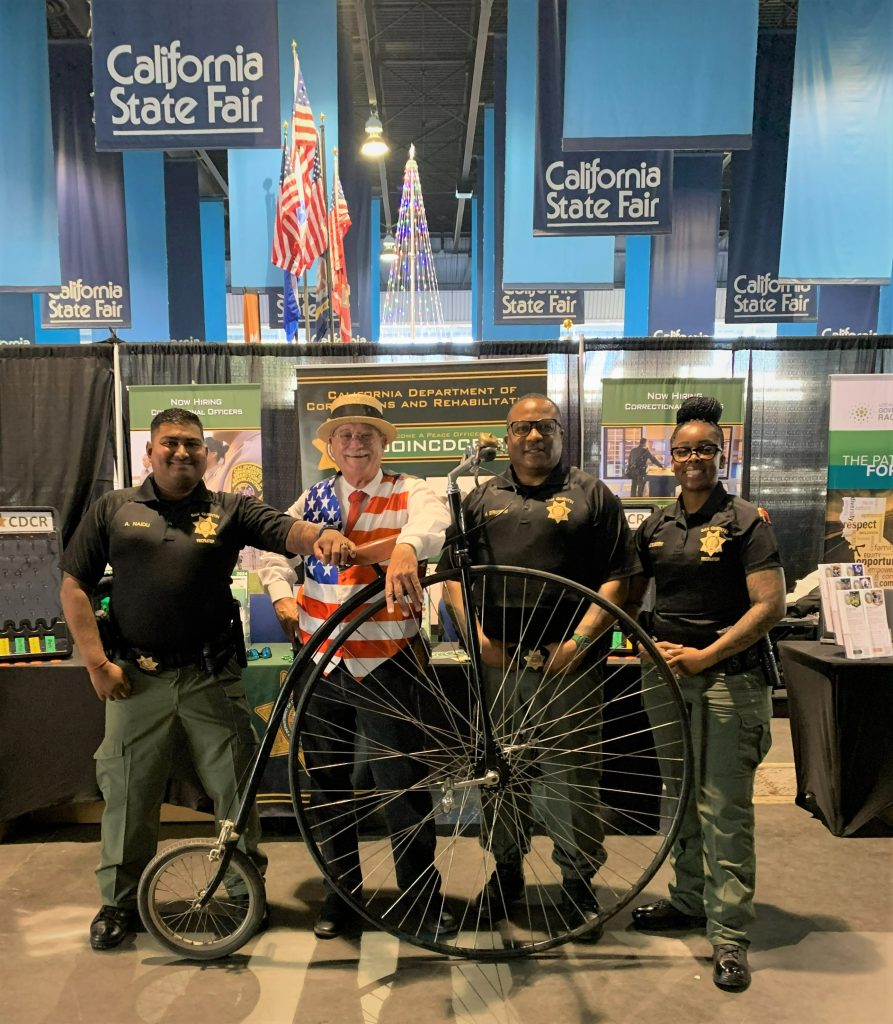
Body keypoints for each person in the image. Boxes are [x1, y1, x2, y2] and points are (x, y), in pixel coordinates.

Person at [60, 408, 354, 952]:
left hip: (213, 678)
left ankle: (244, 894)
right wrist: (98, 664)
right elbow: (74, 585)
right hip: (135, 680)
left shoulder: (228, 509)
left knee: (234, 790)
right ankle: (118, 904)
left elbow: (281, 527)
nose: (182, 452)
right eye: (170, 443)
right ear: (149, 451)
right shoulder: (114, 509)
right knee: (128, 793)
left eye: (193, 444)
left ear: (207, 454)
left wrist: (322, 537)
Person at [440, 394, 639, 941]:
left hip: (570, 667)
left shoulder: (591, 494)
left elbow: (621, 577)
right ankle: (505, 876)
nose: (535, 437)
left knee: (573, 780)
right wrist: (476, 637)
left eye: (545, 426)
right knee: (498, 774)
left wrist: (578, 641)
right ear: (507, 436)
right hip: (498, 664)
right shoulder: (479, 499)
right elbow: (452, 577)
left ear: (560, 431)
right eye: (523, 428)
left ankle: (577, 883)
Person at [258, 393, 454, 940]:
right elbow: (273, 550)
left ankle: (421, 900)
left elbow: (436, 522)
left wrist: (408, 548)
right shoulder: (315, 497)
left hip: (388, 661)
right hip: (324, 661)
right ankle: (341, 896)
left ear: (383, 442)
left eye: (365, 433)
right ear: (331, 446)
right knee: (328, 788)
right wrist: (281, 596)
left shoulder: (410, 491)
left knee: (404, 787)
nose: (354, 442)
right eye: (344, 433)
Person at [624, 396, 786, 993]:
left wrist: (705, 657)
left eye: (705, 449)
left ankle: (730, 936)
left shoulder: (747, 522)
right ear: (670, 457)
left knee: (725, 810)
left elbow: (769, 606)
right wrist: (641, 646)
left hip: (727, 680)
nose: (693, 458)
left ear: (723, 454)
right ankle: (689, 900)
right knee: (682, 796)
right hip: (666, 680)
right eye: (684, 449)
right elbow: (634, 595)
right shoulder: (656, 526)